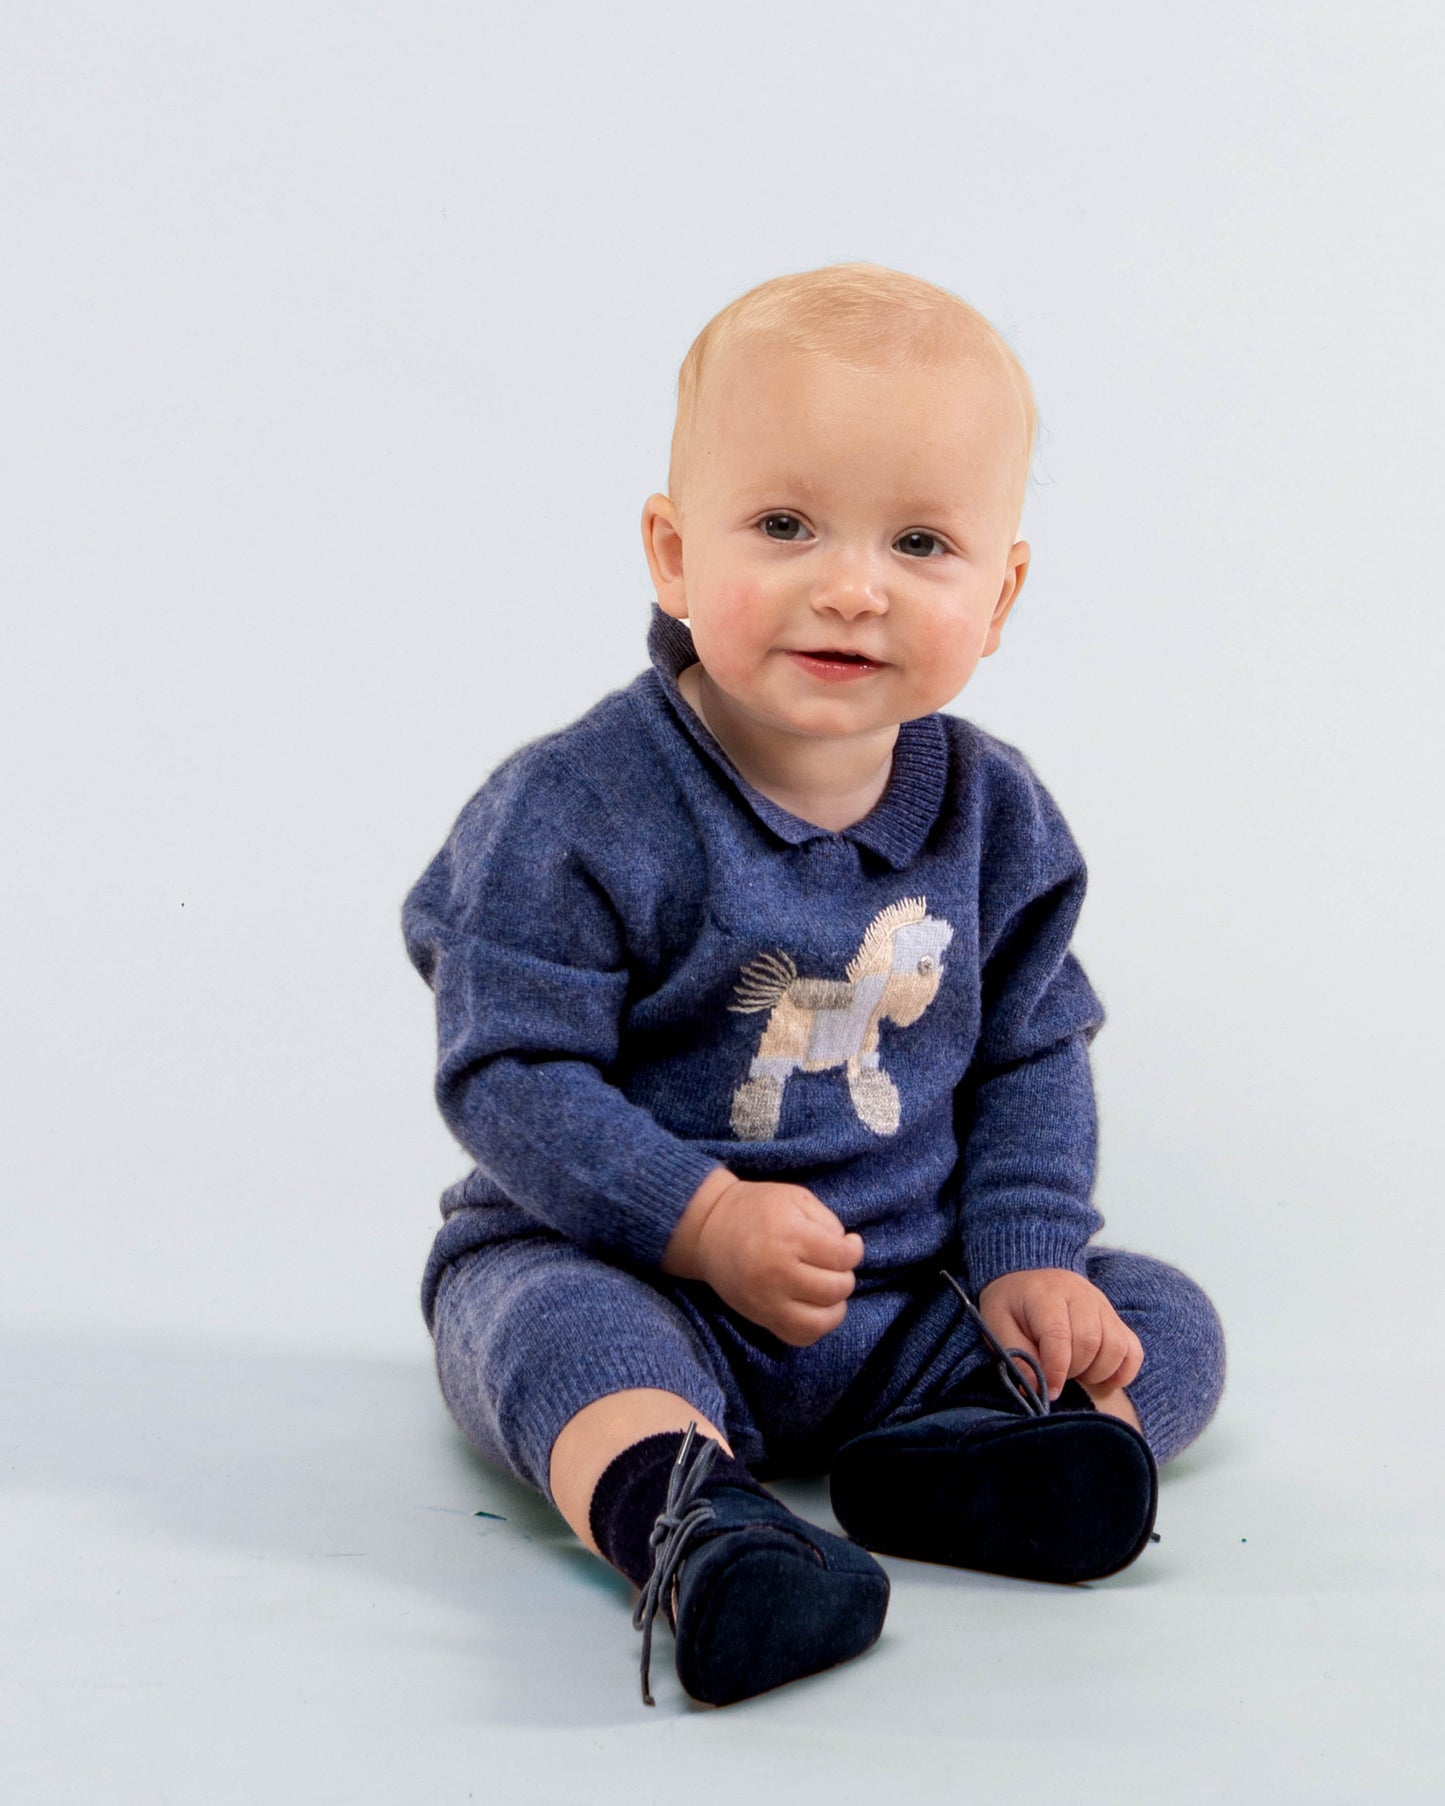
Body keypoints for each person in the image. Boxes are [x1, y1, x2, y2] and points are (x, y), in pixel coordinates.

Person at [402, 262, 1226, 1709]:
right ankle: (696, 1528)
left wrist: (1030, 1254)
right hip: (637, 1273)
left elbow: (1033, 1050)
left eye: (920, 540)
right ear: (669, 551)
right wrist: (701, 1217)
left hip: (900, 1301)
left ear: (1002, 588)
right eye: (783, 525)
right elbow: (506, 1071)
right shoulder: (581, 804)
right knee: (542, 1329)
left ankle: (971, 1463)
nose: (851, 584)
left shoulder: (994, 816)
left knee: (1159, 1314)